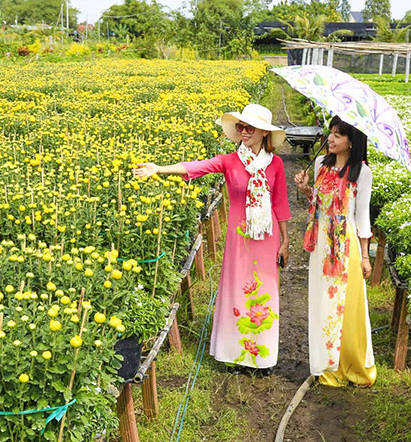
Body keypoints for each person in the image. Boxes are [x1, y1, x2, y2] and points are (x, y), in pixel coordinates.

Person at [133, 104, 291, 370]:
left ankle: (261, 357)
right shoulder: (230, 161)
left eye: (249, 127)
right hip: (239, 237)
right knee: (235, 289)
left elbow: (281, 203)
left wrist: (286, 241)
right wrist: (159, 169)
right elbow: (197, 167)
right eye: (240, 126)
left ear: (264, 132)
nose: (243, 131)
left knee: (264, 292)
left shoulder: (275, 164)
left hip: (267, 237)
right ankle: (233, 354)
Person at [293, 115, 376, 387]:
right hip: (321, 246)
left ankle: (351, 365)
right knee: (322, 304)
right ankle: (327, 365)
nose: (331, 139)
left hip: (346, 245)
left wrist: (365, 256)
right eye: (330, 133)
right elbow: (318, 202)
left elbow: (362, 218)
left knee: (348, 307)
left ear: (352, 142)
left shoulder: (362, 173)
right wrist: (305, 188)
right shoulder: (320, 164)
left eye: (338, 135)